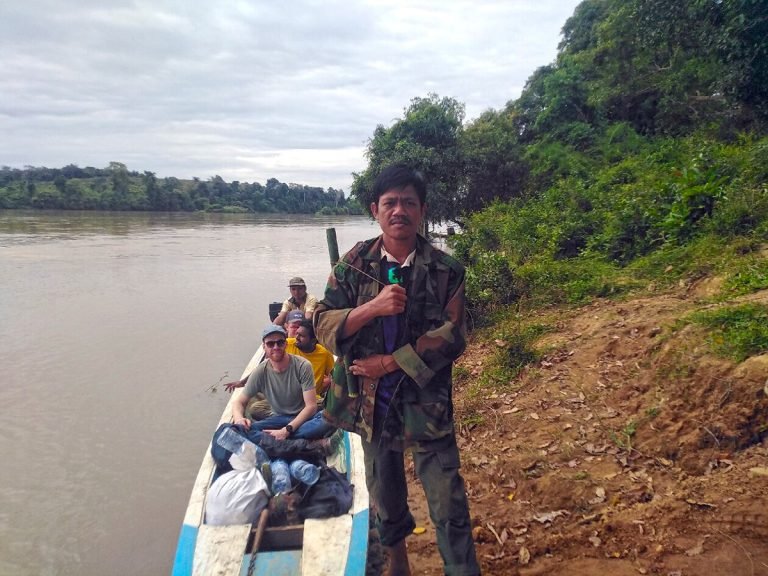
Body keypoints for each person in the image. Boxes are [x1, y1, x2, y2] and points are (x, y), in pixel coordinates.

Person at [314, 165, 480, 576]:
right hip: (370, 406)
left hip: (427, 408)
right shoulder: (353, 266)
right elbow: (322, 323)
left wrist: (388, 363)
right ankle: (399, 565)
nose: (399, 210)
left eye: (408, 202)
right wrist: (372, 307)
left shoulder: (446, 270)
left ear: (422, 210)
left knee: (449, 506)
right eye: (390, 202)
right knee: (385, 499)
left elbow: (453, 335)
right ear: (376, 209)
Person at [231, 324, 334, 442]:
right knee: (242, 429)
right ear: (264, 347)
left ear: (285, 344)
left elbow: (311, 406)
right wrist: (239, 419)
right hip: (278, 417)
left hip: (303, 416)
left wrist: (286, 430)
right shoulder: (261, 371)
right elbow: (239, 402)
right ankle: (295, 440)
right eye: (270, 344)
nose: (276, 347)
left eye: (280, 342)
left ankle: (272, 439)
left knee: (326, 422)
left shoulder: (302, 365)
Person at [286, 319, 334, 401]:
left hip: (312, 399)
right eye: (297, 333)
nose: (296, 337)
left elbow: (333, 377)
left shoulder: (324, 354)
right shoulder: (286, 345)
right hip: (287, 396)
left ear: (313, 341)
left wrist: (327, 383)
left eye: (302, 336)